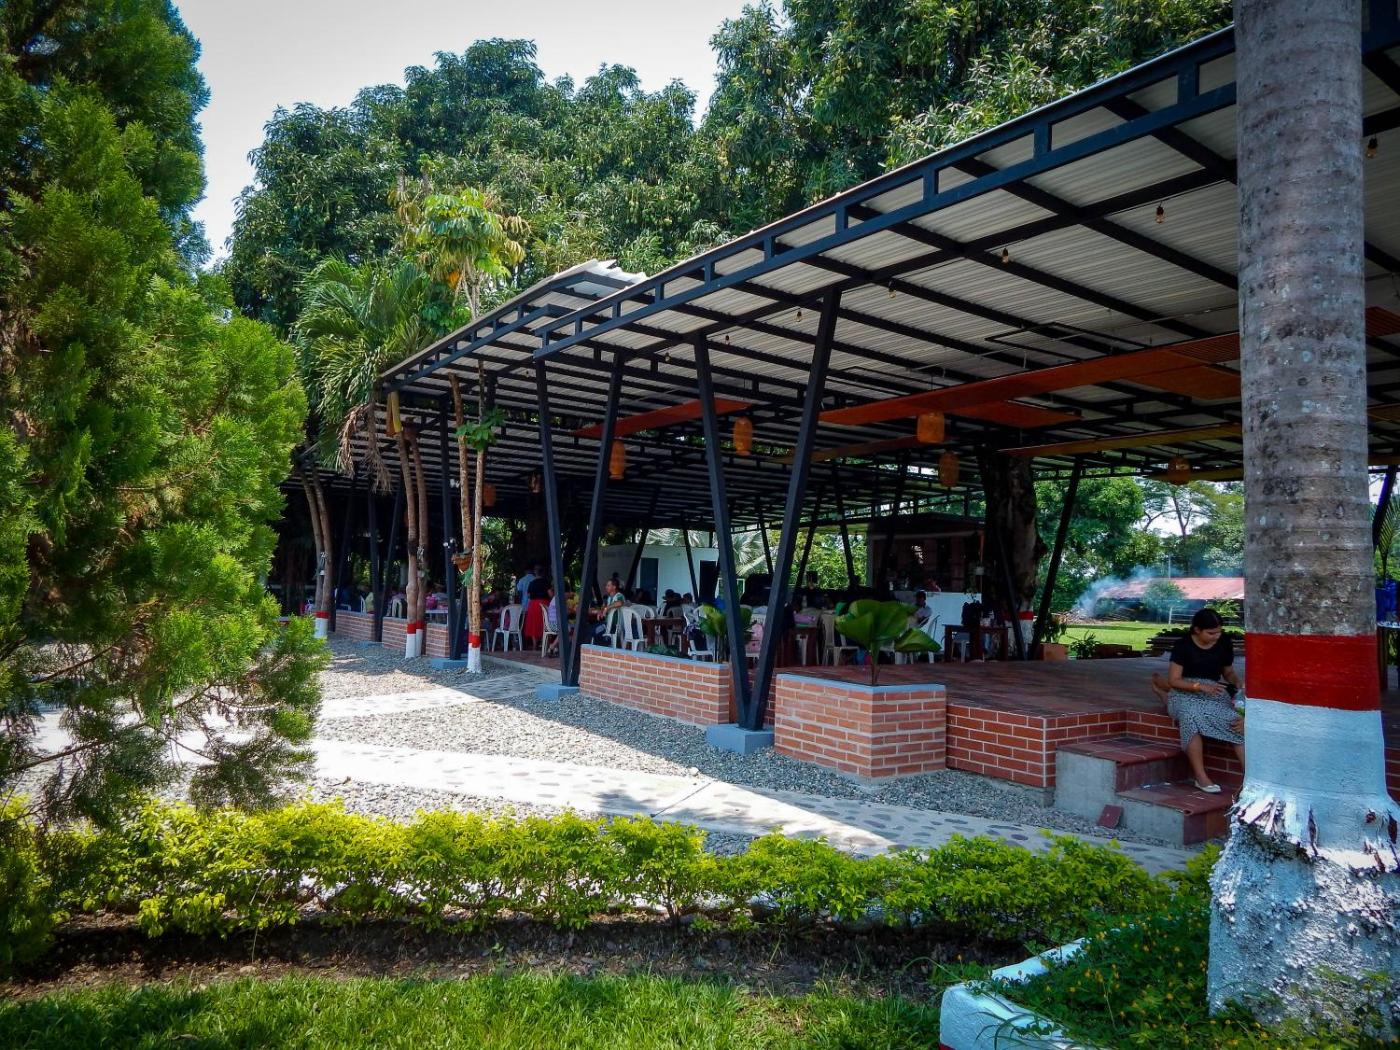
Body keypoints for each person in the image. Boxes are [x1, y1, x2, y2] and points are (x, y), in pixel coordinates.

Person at [1160, 608, 1244, 793]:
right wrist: (1199, 687)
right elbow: (1174, 680)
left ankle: (1250, 778)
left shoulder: (1224, 643)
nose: (1216, 636)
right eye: (1211, 633)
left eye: (1219, 632)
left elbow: (1228, 672)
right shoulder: (1183, 645)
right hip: (1183, 692)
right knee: (1190, 716)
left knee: (1235, 722)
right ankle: (1201, 777)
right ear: (1197, 630)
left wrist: (1237, 682)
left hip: (1214, 692)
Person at [592, 577, 626, 642]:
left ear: (614, 587)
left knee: (594, 631)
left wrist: (607, 608)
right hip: (608, 624)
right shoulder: (609, 597)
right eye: (606, 585)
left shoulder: (619, 595)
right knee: (592, 630)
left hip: (615, 625)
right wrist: (601, 611)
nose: (606, 587)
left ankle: (605, 644)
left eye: (608, 585)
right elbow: (603, 606)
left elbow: (620, 603)